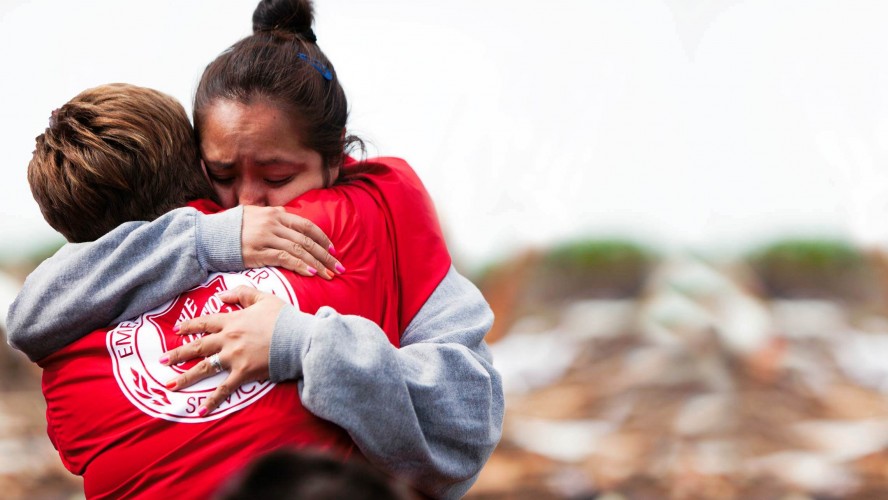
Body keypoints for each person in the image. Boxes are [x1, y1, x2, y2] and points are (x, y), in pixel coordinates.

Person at [8, 1, 503, 497]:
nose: (246, 202)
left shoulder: (384, 221)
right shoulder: (177, 230)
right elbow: (31, 316)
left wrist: (301, 344)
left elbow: (466, 419)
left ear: (333, 160)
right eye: (222, 174)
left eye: (277, 176)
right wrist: (207, 240)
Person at [31, 82, 421, 498]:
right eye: (223, 172)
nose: (250, 198)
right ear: (198, 166)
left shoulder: (63, 364)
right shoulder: (336, 220)